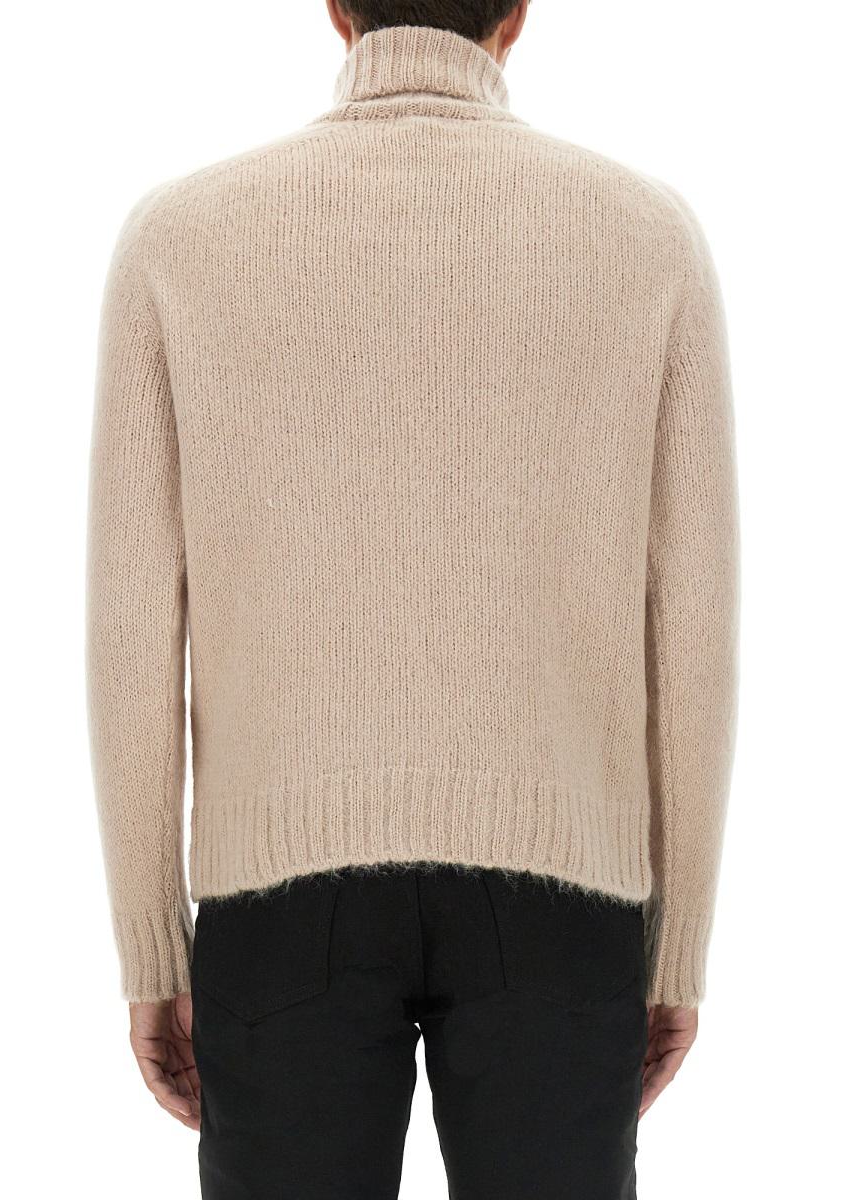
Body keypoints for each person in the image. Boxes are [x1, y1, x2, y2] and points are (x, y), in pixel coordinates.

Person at [85, 1, 740, 1195]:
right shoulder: (648, 240)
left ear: (335, 10)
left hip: (278, 899)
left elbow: (132, 621)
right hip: (564, 898)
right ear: (517, 13)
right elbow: (693, 619)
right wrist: (677, 940)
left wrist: (152, 943)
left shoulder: (179, 239)